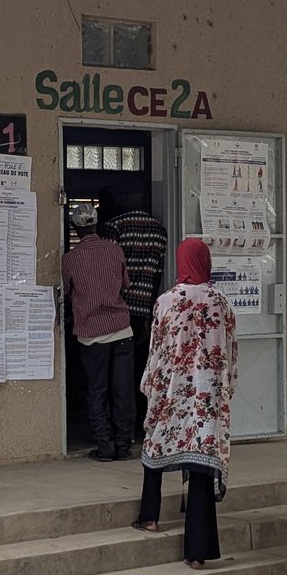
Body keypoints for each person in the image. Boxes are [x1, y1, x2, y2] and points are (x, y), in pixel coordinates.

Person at [131, 238, 237, 569]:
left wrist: (151, 383)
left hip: (171, 389)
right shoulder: (221, 303)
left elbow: (156, 349)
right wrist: (226, 386)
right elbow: (231, 352)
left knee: (156, 445)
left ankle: (149, 516)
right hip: (207, 395)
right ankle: (198, 552)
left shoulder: (166, 302)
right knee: (202, 464)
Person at [60, 216, 136, 461]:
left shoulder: (70, 259)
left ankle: (104, 447)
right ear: (95, 225)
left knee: (96, 391)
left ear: (75, 228)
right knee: (123, 390)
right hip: (122, 330)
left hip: (91, 335)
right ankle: (123, 445)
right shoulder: (115, 251)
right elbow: (125, 284)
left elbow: (68, 292)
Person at [100, 188, 168, 439]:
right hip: (144, 310)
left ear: (125, 198)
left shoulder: (113, 227)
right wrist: (150, 310)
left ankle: (117, 431)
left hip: (117, 309)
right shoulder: (159, 230)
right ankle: (143, 421)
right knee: (143, 369)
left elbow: (107, 271)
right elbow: (158, 274)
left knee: (115, 375)